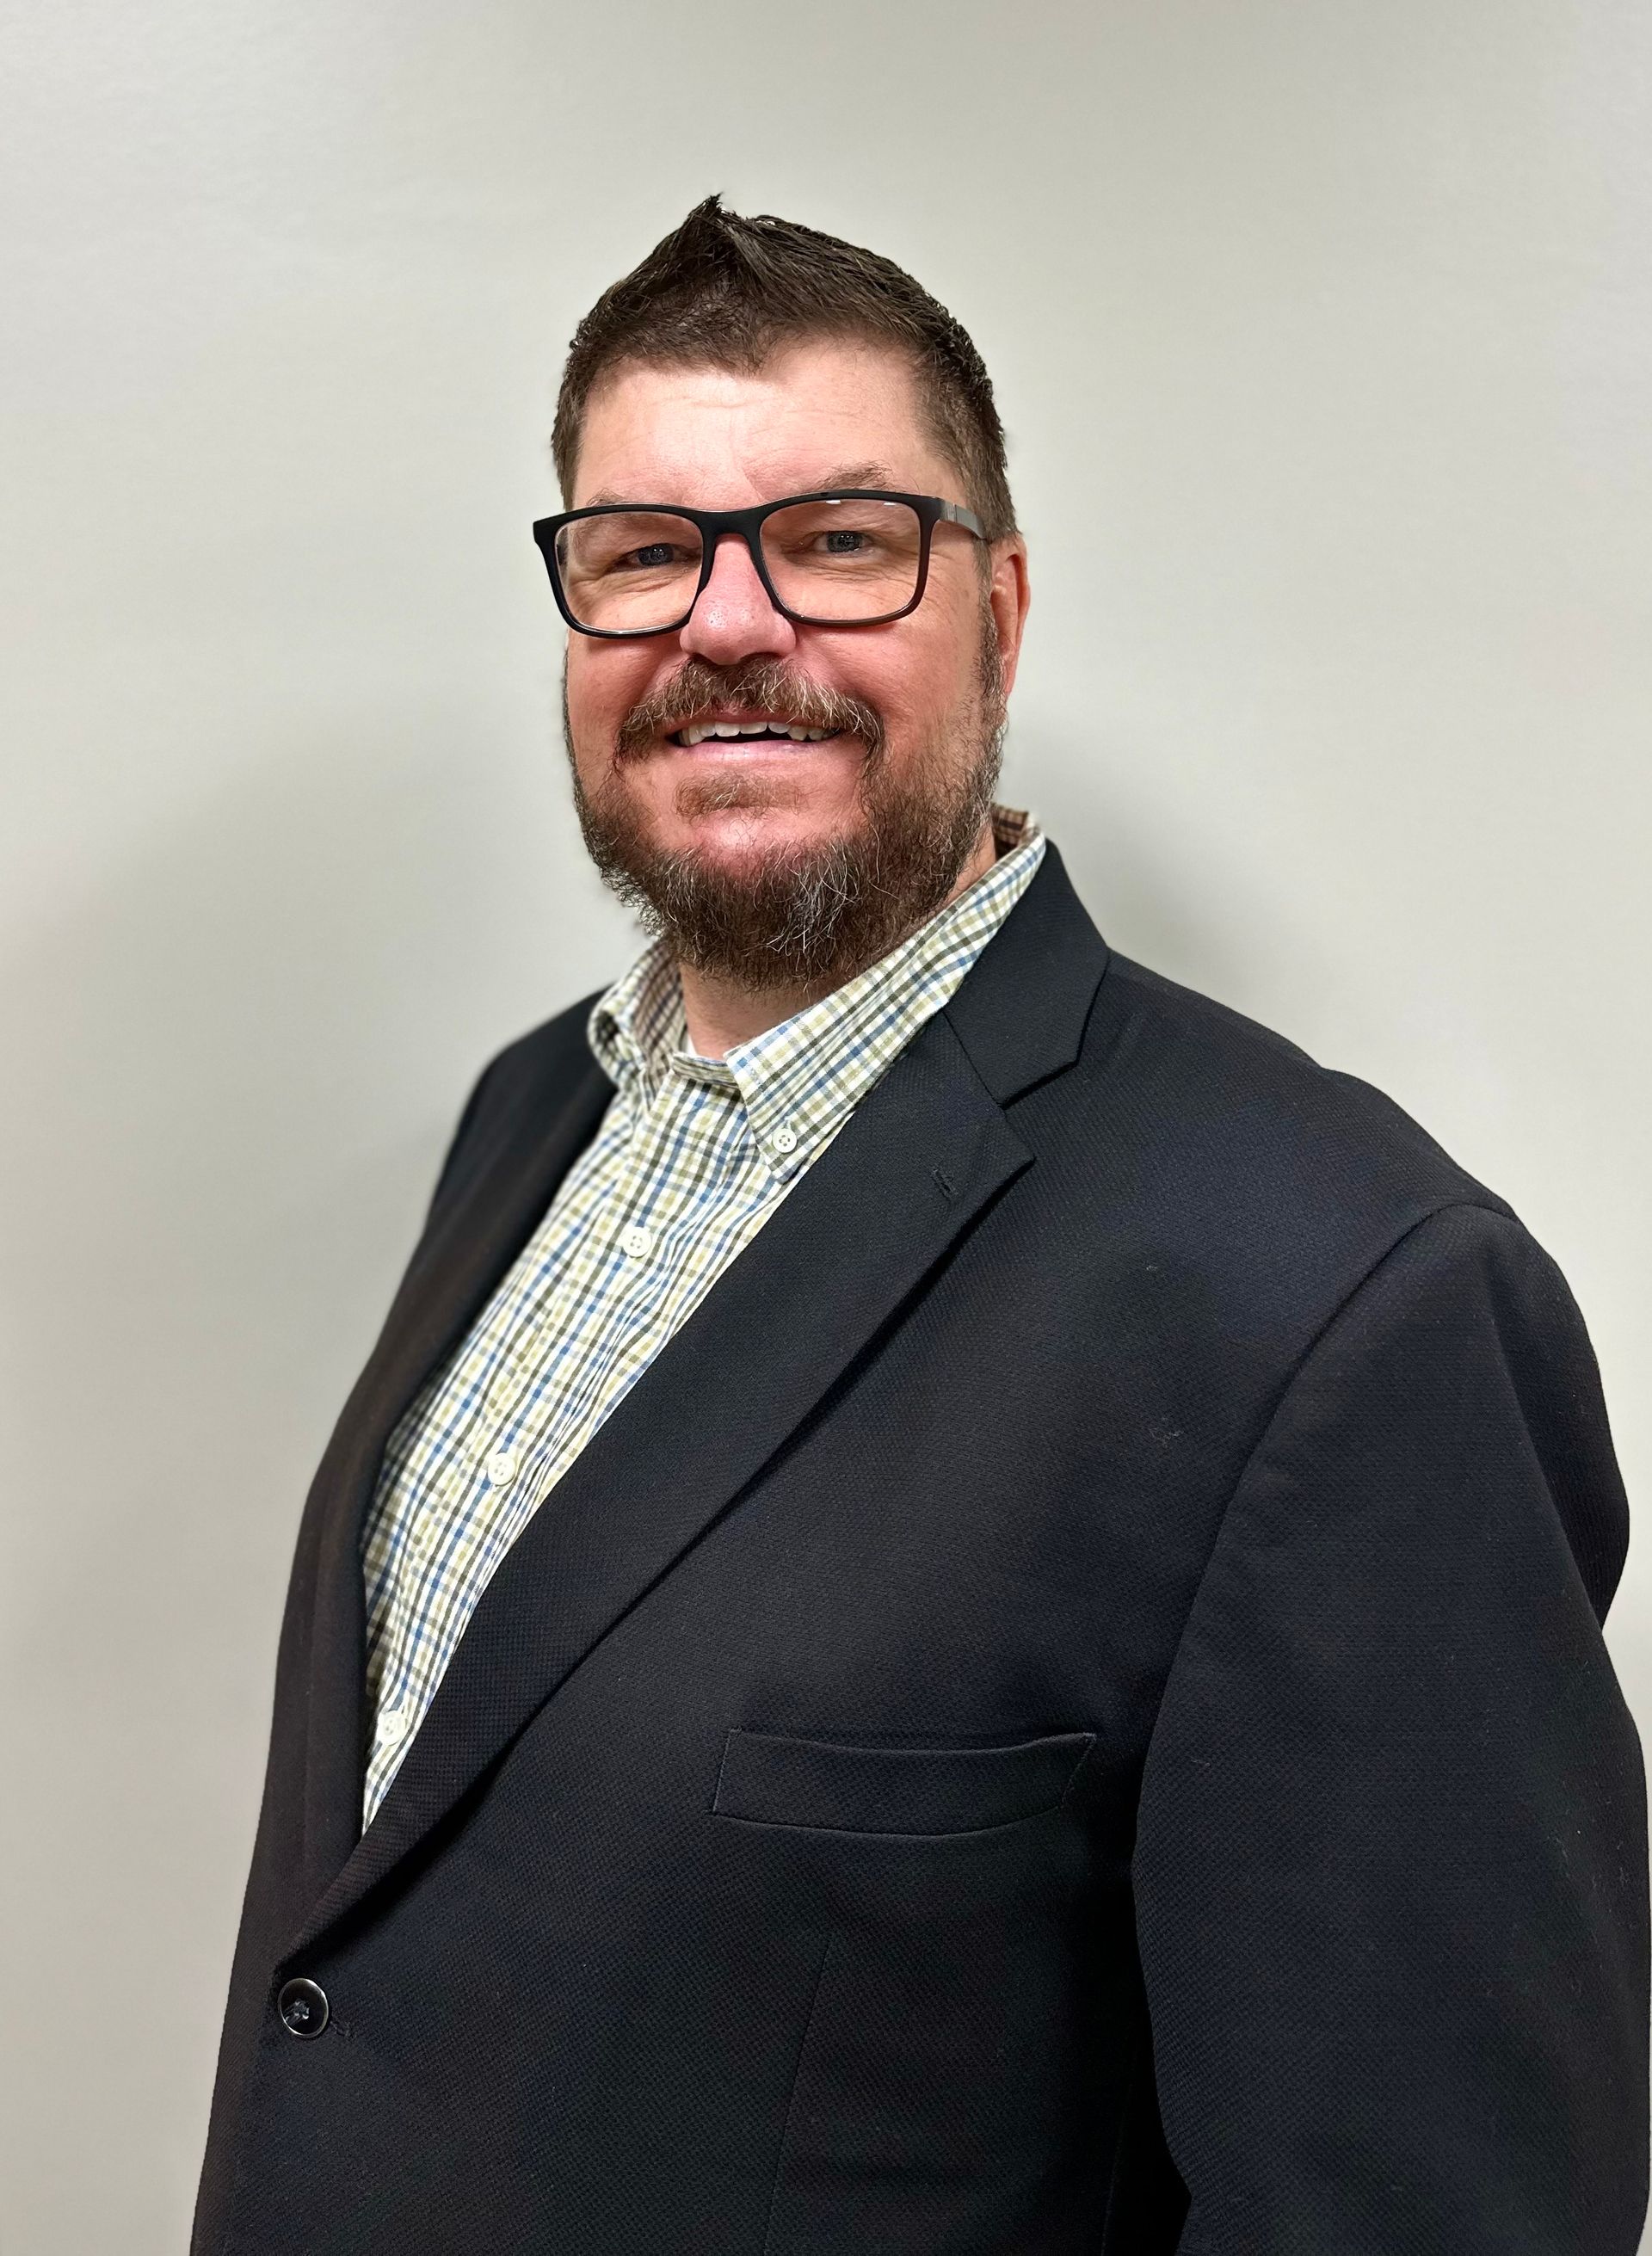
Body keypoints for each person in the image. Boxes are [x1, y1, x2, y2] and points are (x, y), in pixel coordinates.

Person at [192, 197, 1648, 2256]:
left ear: (1004, 609)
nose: (724, 625)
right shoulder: (536, 1115)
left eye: (841, 539)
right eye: (641, 554)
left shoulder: (1341, 1300)